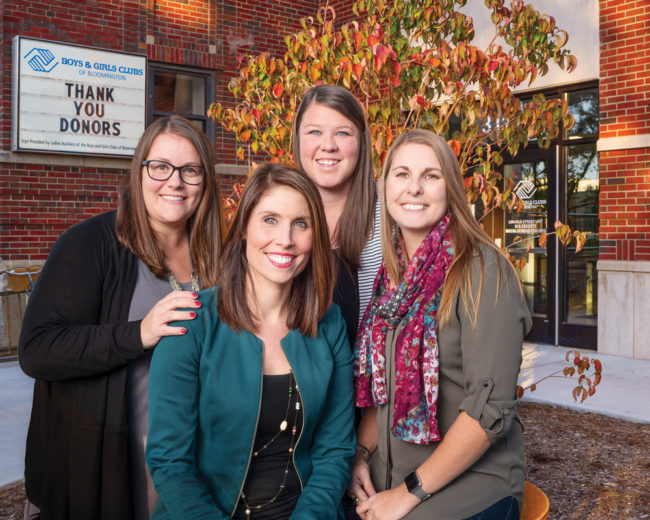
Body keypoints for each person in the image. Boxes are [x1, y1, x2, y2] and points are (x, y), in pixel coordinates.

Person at [18, 115, 223, 520]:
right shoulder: (90, 244)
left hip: (195, 468)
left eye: (191, 170)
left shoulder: (220, 255)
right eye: (160, 166)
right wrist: (139, 334)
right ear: (139, 171)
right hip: (109, 467)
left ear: (205, 181)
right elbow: (36, 349)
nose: (175, 182)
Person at [146, 163, 356, 519]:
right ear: (244, 226)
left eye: (300, 224)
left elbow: (335, 450)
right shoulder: (193, 323)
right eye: (270, 219)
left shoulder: (329, 322)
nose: (285, 239)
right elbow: (170, 462)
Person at [348, 129, 532, 520]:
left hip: (473, 486)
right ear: (384, 187)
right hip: (389, 483)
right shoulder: (391, 277)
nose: (414, 188)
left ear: (450, 187)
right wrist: (359, 456)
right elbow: (382, 395)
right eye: (401, 174)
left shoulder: (483, 270)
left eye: (431, 175)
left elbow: (490, 411)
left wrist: (406, 494)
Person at [292, 84, 382, 347]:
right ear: (298, 139)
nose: (328, 145)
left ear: (361, 142)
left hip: (379, 384)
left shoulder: (392, 215)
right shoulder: (275, 215)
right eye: (314, 132)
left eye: (342, 133)